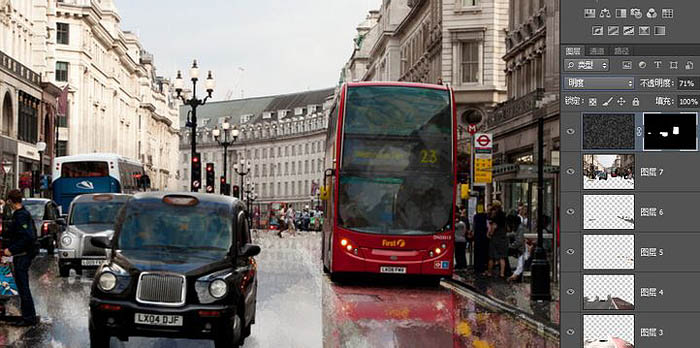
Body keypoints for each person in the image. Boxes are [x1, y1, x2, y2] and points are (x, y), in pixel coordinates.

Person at [3, 189, 38, 326]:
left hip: (22, 256)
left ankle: (29, 318)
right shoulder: (20, 214)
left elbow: (28, 237)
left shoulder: (21, 215)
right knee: (22, 287)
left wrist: (11, 250)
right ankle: (28, 316)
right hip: (21, 255)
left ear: (11, 201)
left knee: (23, 288)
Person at [487, 200, 508, 278]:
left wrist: (490, 233)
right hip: (503, 237)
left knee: (491, 256)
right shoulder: (503, 215)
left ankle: (489, 272)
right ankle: (502, 273)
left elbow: (494, 226)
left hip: (496, 237)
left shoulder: (495, 215)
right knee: (502, 257)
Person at [472, 204, 489, 274]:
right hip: (484, 237)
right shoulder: (486, 216)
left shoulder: (476, 217)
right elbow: (487, 226)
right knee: (483, 252)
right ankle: (482, 267)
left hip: (477, 237)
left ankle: (477, 267)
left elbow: (474, 226)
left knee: (477, 252)